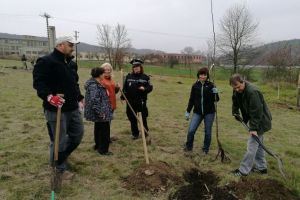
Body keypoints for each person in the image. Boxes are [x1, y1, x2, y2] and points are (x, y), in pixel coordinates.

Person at [33, 36, 84, 180]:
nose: (72, 48)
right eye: (70, 45)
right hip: (55, 109)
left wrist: (79, 97)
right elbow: (39, 83)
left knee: (77, 135)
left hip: (72, 107)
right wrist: (50, 97)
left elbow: (74, 83)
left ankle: (60, 158)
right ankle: (59, 169)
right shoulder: (46, 62)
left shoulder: (72, 64)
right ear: (60, 45)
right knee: (58, 141)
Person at [230, 74, 272, 176]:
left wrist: (253, 129)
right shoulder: (237, 89)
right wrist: (235, 112)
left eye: (238, 87)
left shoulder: (253, 92)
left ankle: (243, 171)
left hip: (260, 121)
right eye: (234, 88)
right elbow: (235, 100)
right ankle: (262, 168)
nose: (237, 90)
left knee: (252, 146)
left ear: (243, 81)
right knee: (259, 145)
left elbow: (256, 113)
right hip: (254, 120)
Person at [184, 67, 219, 154]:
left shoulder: (212, 85)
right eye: (201, 74)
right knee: (191, 130)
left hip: (209, 113)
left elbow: (216, 99)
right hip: (197, 112)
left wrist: (215, 93)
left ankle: (205, 150)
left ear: (207, 76)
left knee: (207, 132)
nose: (203, 76)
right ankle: (188, 148)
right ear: (198, 75)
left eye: (204, 75)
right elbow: (191, 99)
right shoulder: (195, 86)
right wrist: (188, 111)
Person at [121, 58, 153, 140]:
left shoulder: (145, 77)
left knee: (143, 117)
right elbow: (125, 88)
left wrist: (144, 89)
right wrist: (122, 97)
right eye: (134, 67)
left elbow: (150, 87)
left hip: (141, 101)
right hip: (130, 102)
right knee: (132, 117)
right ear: (133, 68)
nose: (136, 68)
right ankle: (135, 134)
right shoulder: (128, 77)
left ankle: (145, 133)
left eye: (138, 67)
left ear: (141, 68)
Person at [84, 67, 113, 155]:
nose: (104, 75)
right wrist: (100, 112)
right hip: (101, 111)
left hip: (101, 110)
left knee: (98, 128)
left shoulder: (96, 83)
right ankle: (103, 150)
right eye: (103, 73)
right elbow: (94, 100)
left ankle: (98, 146)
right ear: (99, 75)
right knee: (104, 131)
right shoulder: (94, 85)